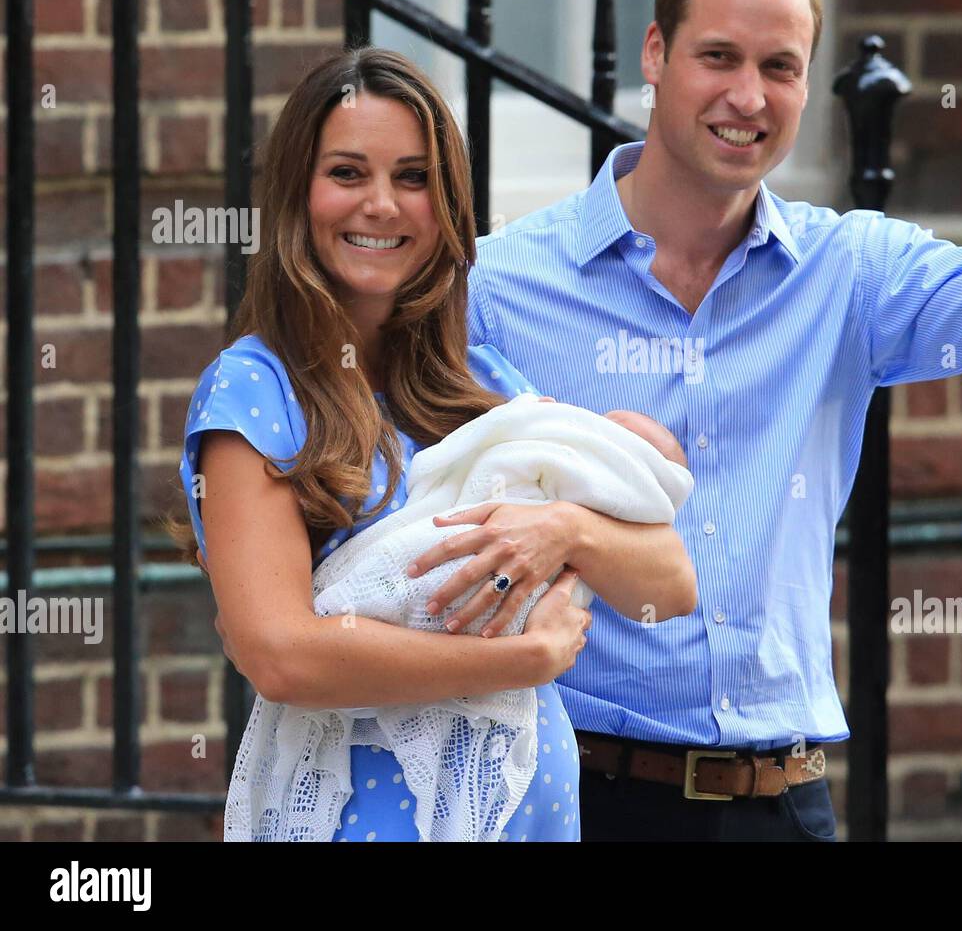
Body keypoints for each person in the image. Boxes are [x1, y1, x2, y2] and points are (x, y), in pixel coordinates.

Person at [416, 0, 962, 841]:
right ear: (655, 52)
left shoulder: (850, 269)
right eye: (718, 56)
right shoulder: (501, 285)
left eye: (781, 67)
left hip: (782, 802)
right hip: (571, 792)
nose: (748, 97)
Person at [171, 46, 697, 842]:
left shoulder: (479, 378)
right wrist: (520, 660)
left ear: (446, 202)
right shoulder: (255, 391)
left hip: (526, 806)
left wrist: (567, 531)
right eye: (348, 173)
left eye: (413, 178)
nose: (381, 205)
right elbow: (282, 655)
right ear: (296, 194)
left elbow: (672, 581)